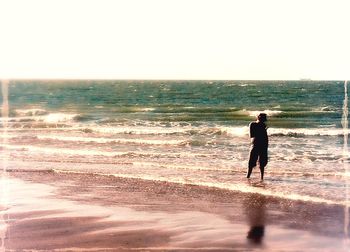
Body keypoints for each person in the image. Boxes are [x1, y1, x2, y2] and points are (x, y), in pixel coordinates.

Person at [247, 113, 268, 180]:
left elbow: (264, 136)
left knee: (262, 163)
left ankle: (262, 177)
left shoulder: (263, 125)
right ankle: (248, 176)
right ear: (258, 117)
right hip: (255, 144)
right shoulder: (253, 124)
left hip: (263, 144)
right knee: (251, 162)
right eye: (263, 117)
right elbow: (252, 135)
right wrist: (262, 130)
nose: (264, 119)